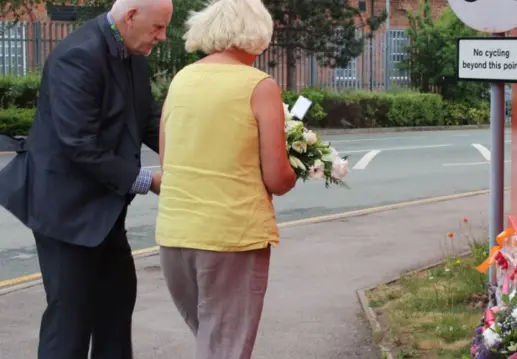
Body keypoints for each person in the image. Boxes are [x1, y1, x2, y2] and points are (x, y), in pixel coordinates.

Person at [0, 0, 172, 358]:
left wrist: (194, 160)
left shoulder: (134, 57)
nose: (163, 35)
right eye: (158, 27)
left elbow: (150, 124)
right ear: (130, 16)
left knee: (116, 308)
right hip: (65, 213)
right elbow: (78, 145)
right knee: (70, 324)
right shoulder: (77, 55)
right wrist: (148, 180)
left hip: (105, 211)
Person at [155, 0, 297, 357]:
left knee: (211, 339)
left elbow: (167, 158)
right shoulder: (258, 85)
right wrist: (296, 170)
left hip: (176, 235)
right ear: (256, 34)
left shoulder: (182, 80)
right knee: (226, 347)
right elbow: (277, 177)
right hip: (231, 235)